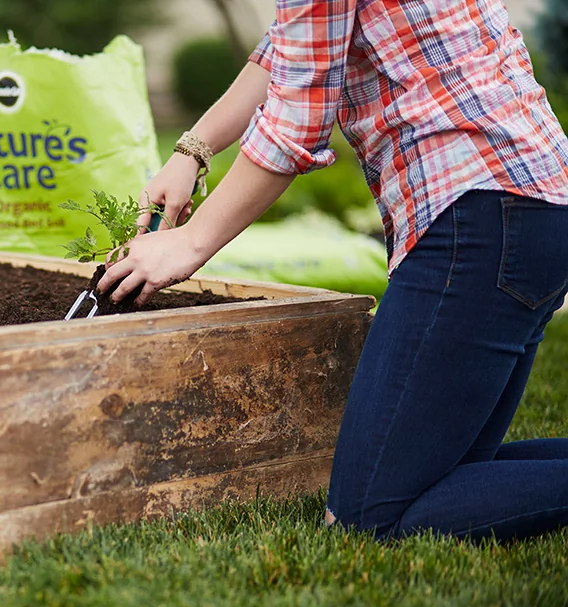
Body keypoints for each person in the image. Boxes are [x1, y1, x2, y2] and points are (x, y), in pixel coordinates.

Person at [100, 0, 568, 541]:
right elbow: (289, 47)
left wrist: (190, 243)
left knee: (370, 518)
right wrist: (192, 151)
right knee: (450, 475)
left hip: (479, 213)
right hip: (532, 204)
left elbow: (300, 116)